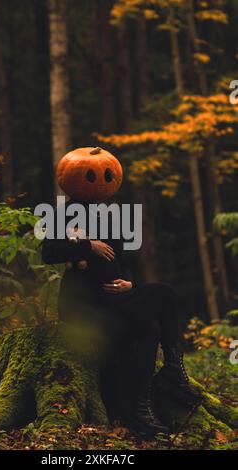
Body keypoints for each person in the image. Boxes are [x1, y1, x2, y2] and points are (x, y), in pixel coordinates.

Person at [41, 147, 200, 437]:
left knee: (151, 328)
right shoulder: (61, 214)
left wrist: (130, 284)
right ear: (72, 178)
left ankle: (140, 410)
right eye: (91, 175)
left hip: (116, 299)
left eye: (106, 174)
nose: (100, 180)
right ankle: (172, 373)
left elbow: (122, 262)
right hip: (86, 306)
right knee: (162, 296)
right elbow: (49, 251)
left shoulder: (110, 216)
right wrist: (86, 245)